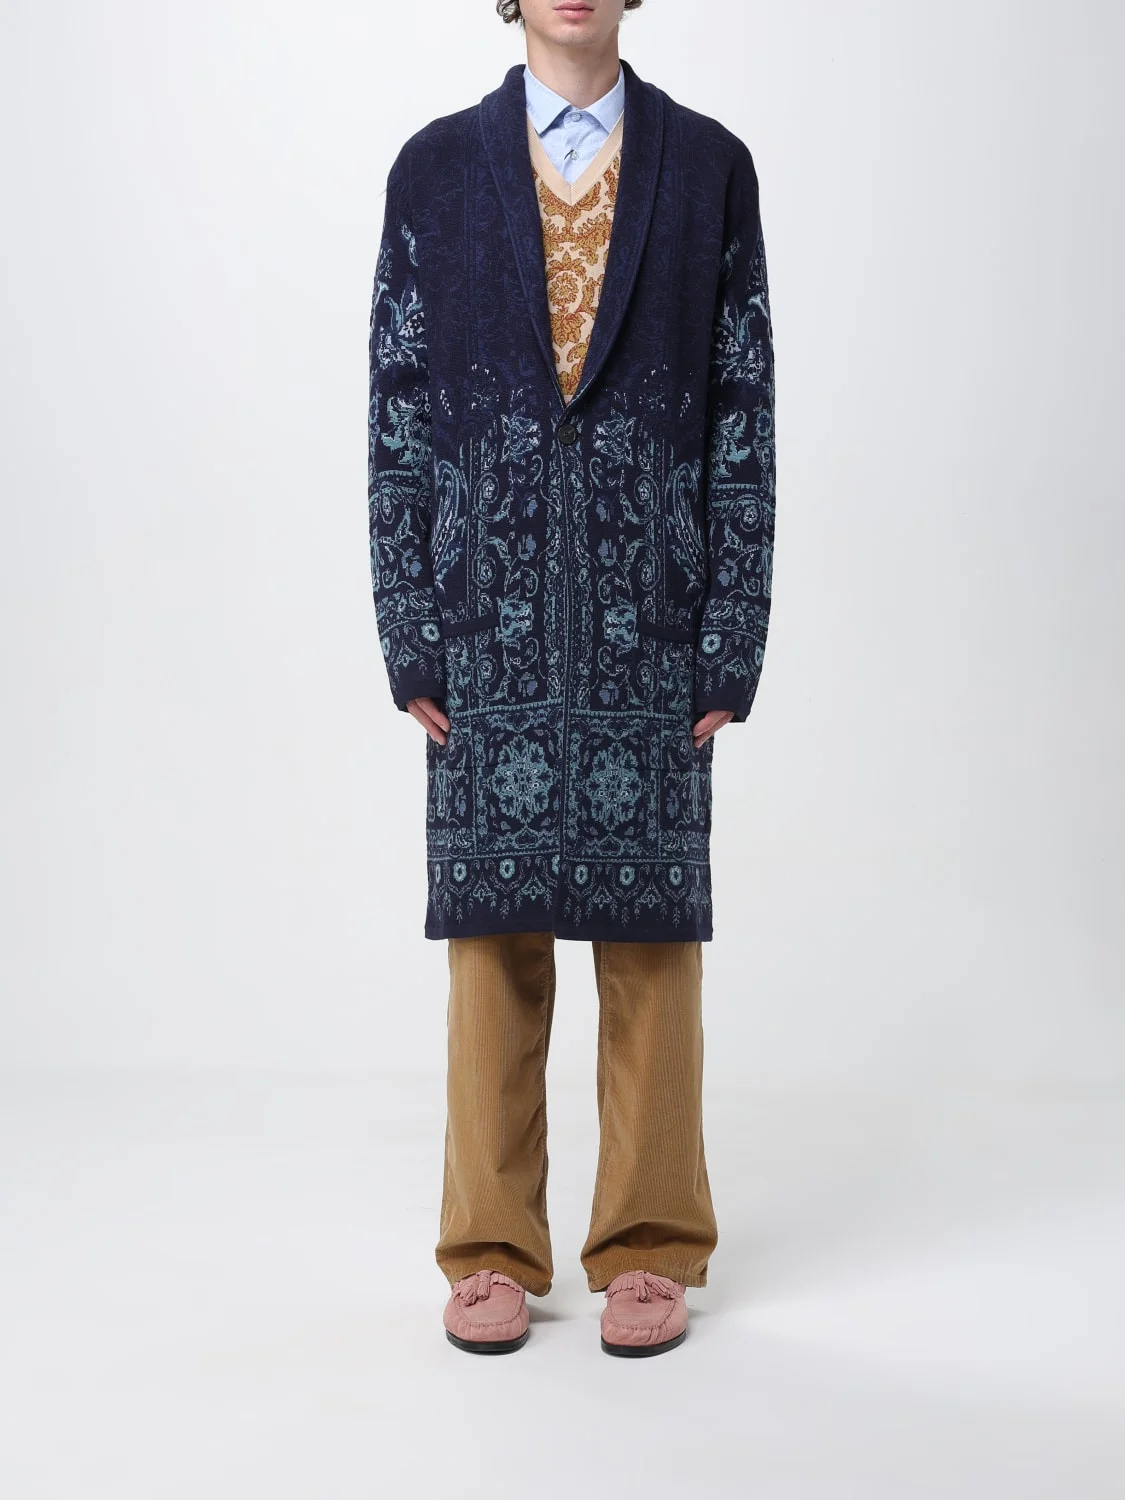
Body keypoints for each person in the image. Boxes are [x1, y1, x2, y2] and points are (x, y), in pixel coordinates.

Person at [368, 0, 775, 1356]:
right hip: (484, 615)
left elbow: (744, 412)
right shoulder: (434, 169)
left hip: (649, 614)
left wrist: (732, 632)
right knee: (492, 940)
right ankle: (489, 1245)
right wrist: (409, 629)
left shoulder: (709, 167)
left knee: (653, 940)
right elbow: (398, 413)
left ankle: (651, 1241)